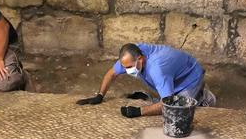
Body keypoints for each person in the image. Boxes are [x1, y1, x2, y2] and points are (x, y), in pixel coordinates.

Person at [77, 42, 217, 118]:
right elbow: (111, 74)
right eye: (124, 67)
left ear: (141, 59)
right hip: (173, 75)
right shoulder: (131, 55)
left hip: (191, 77)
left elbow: (167, 104)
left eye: (129, 67)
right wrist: (100, 95)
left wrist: (139, 112)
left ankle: (203, 96)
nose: (127, 71)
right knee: (166, 96)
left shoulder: (157, 69)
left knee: (176, 110)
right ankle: (168, 92)